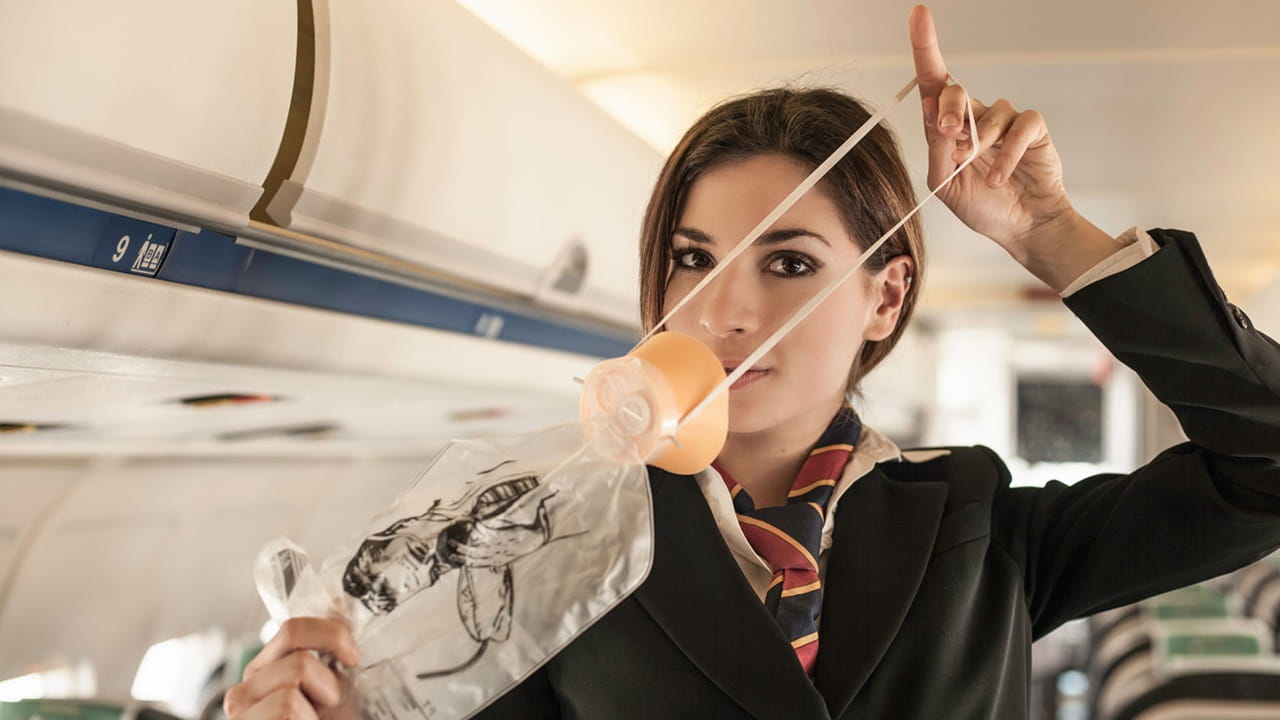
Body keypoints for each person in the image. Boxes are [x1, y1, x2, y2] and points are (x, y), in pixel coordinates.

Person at [222, 6, 1280, 719]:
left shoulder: (976, 524)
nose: (723, 310)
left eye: (788, 263)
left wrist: (1050, 236)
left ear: (885, 297)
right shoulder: (551, 535)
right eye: (692, 258)